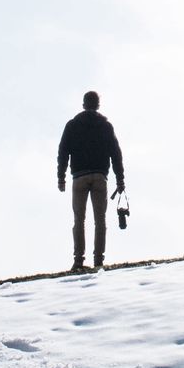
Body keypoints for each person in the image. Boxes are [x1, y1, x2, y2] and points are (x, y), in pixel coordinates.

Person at [57, 90, 125, 272]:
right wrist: (120, 179)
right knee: (100, 220)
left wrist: (61, 177)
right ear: (98, 105)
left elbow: (63, 152)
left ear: (83, 105)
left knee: (79, 220)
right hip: (99, 177)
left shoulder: (72, 125)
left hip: (79, 177)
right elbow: (116, 154)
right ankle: (98, 261)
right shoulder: (105, 126)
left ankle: (78, 260)